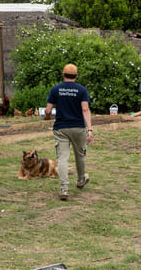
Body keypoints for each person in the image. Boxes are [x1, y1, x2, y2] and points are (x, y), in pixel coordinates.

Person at [44, 64, 93, 201]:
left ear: (63, 74)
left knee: (62, 158)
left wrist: (47, 117)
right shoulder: (82, 90)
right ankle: (81, 179)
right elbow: (85, 110)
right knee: (80, 156)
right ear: (76, 76)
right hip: (78, 128)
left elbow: (48, 110)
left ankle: (64, 188)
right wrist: (89, 129)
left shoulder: (55, 89)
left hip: (61, 128)